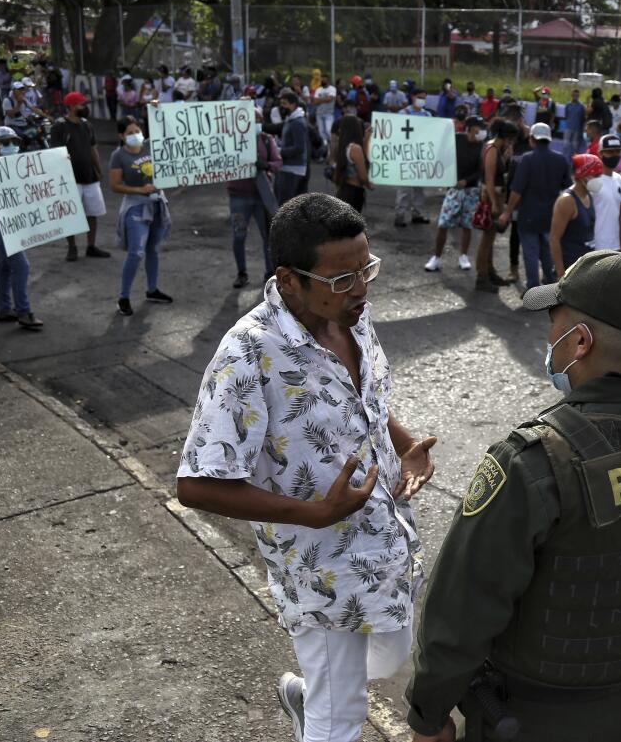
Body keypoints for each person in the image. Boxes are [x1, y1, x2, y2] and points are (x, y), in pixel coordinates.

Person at [405, 248, 621, 742]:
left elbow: (458, 619)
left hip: (534, 721)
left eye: (554, 324)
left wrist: (427, 718)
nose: (549, 339)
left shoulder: (533, 463)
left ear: (580, 341)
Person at [175, 194, 436, 742]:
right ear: (288, 280)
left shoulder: (351, 312)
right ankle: (320, 704)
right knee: (337, 723)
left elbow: (365, 397)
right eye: (343, 279)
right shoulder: (247, 353)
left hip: (386, 544)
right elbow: (196, 484)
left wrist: (407, 444)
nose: (361, 287)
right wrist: (314, 514)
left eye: (366, 269)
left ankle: (310, 691)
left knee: (390, 658)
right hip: (320, 571)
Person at [0, 126, 43, 330]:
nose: (11, 146)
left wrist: (61, 163)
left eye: (14, 142)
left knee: (5, 266)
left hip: (12, 222)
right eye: (5, 143)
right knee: (21, 266)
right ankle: (24, 313)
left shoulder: (21, 164)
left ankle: (5, 308)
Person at [110, 117, 172, 317]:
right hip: (136, 206)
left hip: (157, 204)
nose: (135, 135)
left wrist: (157, 110)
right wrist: (139, 189)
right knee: (136, 252)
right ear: (121, 136)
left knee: (153, 249)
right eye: (129, 132)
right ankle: (123, 297)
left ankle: (152, 289)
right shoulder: (118, 156)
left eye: (137, 130)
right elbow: (115, 185)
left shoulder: (153, 147)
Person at [503, 122, 571, 289]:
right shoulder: (561, 160)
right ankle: (549, 279)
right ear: (549, 139)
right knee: (548, 250)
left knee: (530, 253)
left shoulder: (526, 159)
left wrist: (507, 212)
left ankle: (532, 288)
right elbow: (569, 189)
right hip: (551, 216)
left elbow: (516, 191)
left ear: (532, 139)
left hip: (528, 216)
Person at [51, 91, 111, 261]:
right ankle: (72, 247)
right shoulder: (59, 126)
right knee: (71, 215)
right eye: (82, 105)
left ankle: (91, 246)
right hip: (70, 179)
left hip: (90, 176)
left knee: (92, 213)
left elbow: (93, 148)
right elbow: (54, 153)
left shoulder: (87, 125)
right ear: (71, 106)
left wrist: (98, 169)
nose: (85, 108)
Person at [226, 109, 282, 288]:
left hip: (261, 197)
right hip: (238, 196)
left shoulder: (266, 139)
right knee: (238, 236)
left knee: (268, 236)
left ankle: (269, 274)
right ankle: (241, 273)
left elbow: (278, 162)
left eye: (257, 119)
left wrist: (265, 165)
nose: (254, 122)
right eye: (250, 119)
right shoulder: (230, 139)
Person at [425, 116, 484, 272]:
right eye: (479, 128)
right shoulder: (457, 139)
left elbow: (481, 170)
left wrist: (467, 180)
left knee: (467, 225)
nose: (482, 131)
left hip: (471, 191)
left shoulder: (482, 146)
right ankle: (436, 257)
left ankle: (463, 256)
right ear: (471, 128)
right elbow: (443, 155)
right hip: (453, 189)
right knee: (443, 224)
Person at [472, 118, 520, 293]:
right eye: (511, 138)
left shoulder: (497, 149)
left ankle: (489, 271)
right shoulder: (492, 150)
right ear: (505, 136)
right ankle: (481, 276)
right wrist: (493, 203)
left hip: (496, 196)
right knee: (486, 240)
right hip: (492, 197)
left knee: (490, 239)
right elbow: (490, 180)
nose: (512, 142)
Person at [548, 154, 600, 273]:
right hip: (570, 269)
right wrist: (561, 273)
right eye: (596, 175)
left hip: (585, 268)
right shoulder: (567, 201)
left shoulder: (589, 196)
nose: (599, 179)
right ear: (583, 175)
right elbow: (554, 239)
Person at [394, 90, 433, 227]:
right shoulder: (403, 114)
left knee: (419, 189)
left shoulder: (427, 115)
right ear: (412, 97)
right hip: (405, 157)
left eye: (424, 98)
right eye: (419, 97)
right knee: (404, 189)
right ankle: (400, 215)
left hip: (421, 157)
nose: (421, 100)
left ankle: (417, 214)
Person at [592, 134, 621, 251]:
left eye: (618, 152)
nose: (615, 155)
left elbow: (620, 215)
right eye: (610, 152)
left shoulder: (620, 180)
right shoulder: (592, 181)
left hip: (615, 247)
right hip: (595, 246)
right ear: (600, 153)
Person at [275, 90, 309, 206]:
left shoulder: (297, 123)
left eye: (284, 103)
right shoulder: (291, 120)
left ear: (293, 104)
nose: (282, 107)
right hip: (290, 168)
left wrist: (279, 151)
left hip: (292, 169)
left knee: (286, 206)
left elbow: (299, 148)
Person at [333, 114, 373, 213]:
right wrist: (368, 184)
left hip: (343, 189)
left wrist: (366, 139)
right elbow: (363, 176)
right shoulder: (356, 148)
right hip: (354, 192)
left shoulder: (342, 145)